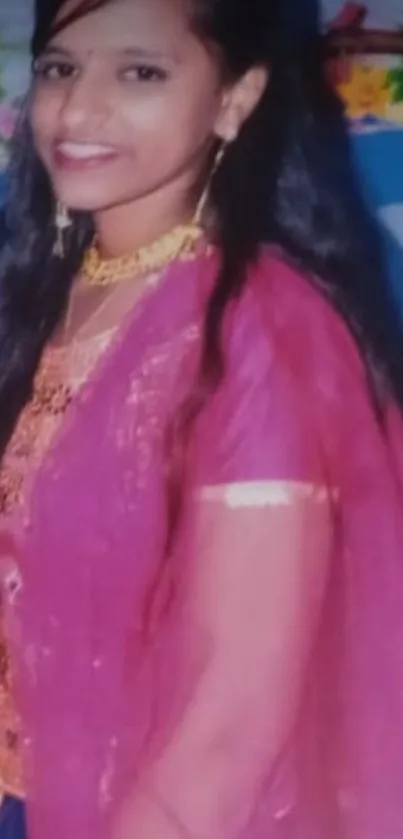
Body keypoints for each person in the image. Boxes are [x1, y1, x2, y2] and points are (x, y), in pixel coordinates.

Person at [0, 0, 403, 837]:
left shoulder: (262, 333)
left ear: (235, 98)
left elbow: (229, 722)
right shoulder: (53, 286)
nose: (78, 110)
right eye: (59, 68)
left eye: (139, 72)